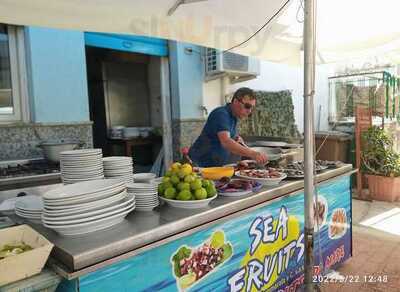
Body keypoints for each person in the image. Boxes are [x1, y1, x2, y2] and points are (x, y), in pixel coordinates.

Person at [189, 87, 268, 167]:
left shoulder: (233, 117)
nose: (249, 111)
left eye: (252, 108)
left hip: (213, 167)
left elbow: (231, 139)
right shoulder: (221, 114)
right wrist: (253, 154)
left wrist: (237, 142)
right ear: (236, 102)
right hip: (198, 165)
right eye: (247, 106)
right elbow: (226, 141)